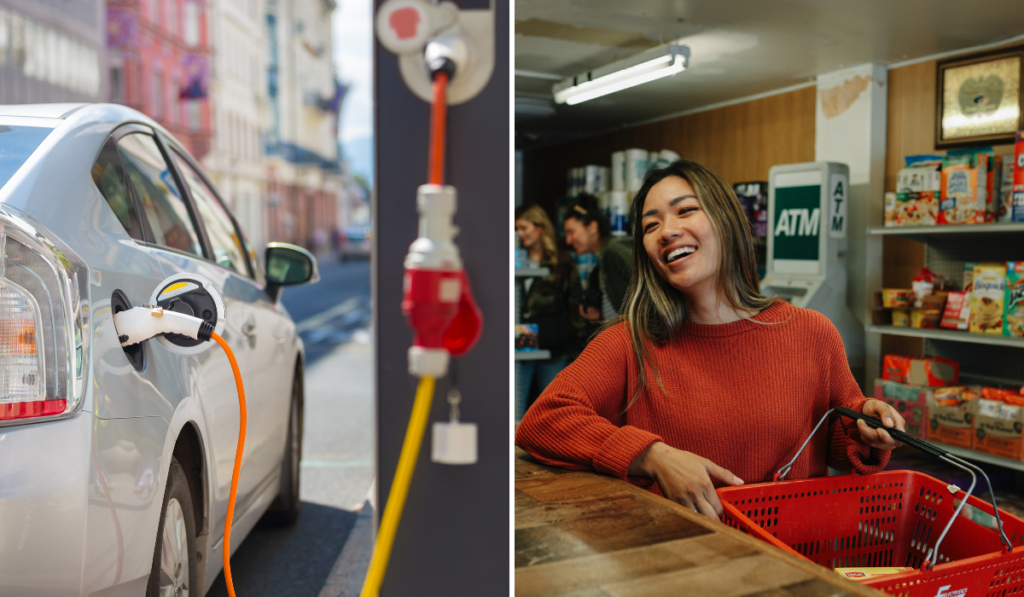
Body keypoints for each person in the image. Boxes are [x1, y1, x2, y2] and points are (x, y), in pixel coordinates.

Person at [516, 160, 905, 521]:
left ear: (726, 220)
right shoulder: (628, 342)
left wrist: (868, 427)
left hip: (791, 560)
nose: (667, 231)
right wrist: (651, 456)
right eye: (651, 226)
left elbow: (835, 438)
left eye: (686, 211)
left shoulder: (811, 332)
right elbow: (544, 421)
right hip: (681, 562)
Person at [515, 205, 588, 418]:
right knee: (517, 410)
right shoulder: (515, 258)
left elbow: (574, 305)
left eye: (524, 227)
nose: (520, 234)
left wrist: (578, 351)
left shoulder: (562, 261)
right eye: (516, 229)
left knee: (553, 413)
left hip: (554, 343)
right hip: (522, 341)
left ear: (539, 227)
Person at [563, 194, 632, 323]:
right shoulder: (603, 258)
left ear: (592, 227)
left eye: (571, 232)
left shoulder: (613, 251)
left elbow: (647, 291)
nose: (568, 241)